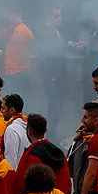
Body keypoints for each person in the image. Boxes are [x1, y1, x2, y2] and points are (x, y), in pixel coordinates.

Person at [14, 114, 71, 194]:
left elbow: (21, 183)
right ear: (45, 131)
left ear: (29, 131)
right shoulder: (59, 153)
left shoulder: (31, 155)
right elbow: (68, 181)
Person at [0, 14, 34, 98]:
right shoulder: (26, 30)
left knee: (9, 98)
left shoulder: (12, 29)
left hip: (12, 71)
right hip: (23, 70)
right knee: (21, 99)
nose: (4, 18)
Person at [38, 8, 68, 136]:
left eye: (60, 16)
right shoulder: (46, 33)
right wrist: (52, 75)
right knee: (54, 105)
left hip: (59, 75)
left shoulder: (58, 32)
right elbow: (46, 55)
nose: (59, 19)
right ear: (48, 18)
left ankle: (53, 132)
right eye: (56, 16)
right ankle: (50, 134)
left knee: (58, 106)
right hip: (52, 75)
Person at [2, 94, 29, 170]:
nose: (1, 111)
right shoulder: (27, 126)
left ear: (12, 110)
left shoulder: (11, 130)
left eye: (3, 108)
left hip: (15, 175)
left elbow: (10, 160)